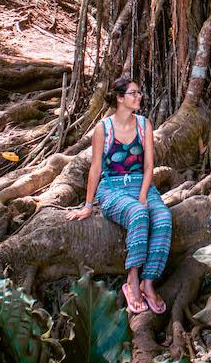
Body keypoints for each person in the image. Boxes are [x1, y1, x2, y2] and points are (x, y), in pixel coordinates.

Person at [66, 77, 171, 314]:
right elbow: (95, 168)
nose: (139, 97)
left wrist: (143, 195)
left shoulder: (144, 125)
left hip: (141, 186)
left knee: (163, 218)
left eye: (139, 93)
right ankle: (132, 279)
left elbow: (148, 167)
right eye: (133, 93)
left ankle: (148, 282)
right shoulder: (103, 129)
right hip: (112, 188)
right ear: (119, 98)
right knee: (138, 214)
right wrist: (88, 205)